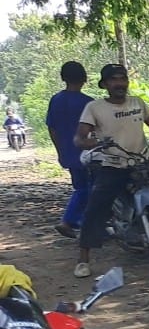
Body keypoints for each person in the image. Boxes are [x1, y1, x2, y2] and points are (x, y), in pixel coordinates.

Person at [72, 64, 149, 279]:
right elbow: (79, 138)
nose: (119, 83)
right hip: (114, 164)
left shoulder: (137, 103)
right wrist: (91, 142)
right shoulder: (94, 108)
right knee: (96, 206)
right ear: (105, 84)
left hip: (143, 161)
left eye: (123, 79)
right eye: (114, 80)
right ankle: (83, 258)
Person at [46, 62, 95, 239]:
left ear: (63, 78)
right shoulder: (88, 103)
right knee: (88, 189)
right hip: (87, 151)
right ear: (84, 78)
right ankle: (68, 221)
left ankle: (82, 220)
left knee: (81, 186)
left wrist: (60, 151)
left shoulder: (56, 100)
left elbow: (52, 128)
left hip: (68, 150)